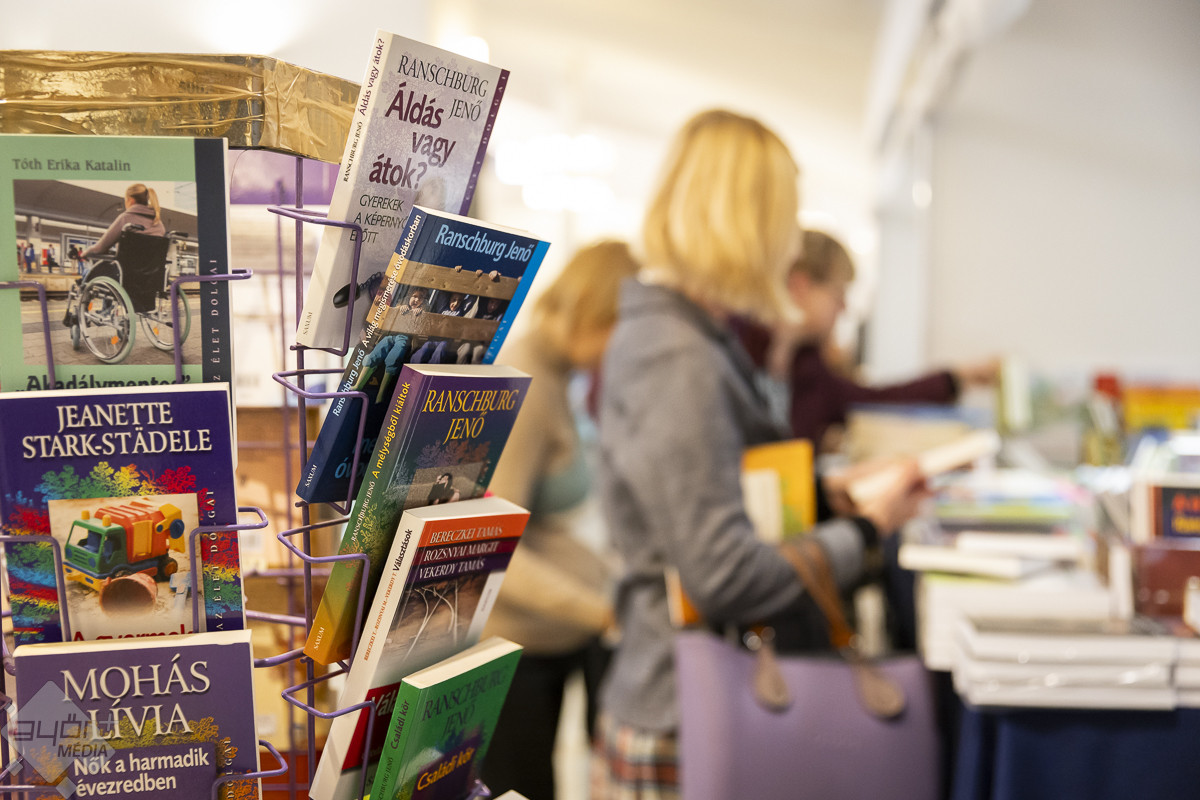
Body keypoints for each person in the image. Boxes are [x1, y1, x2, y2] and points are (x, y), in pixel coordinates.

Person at [588, 109, 926, 798]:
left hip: (697, 700)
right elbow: (724, 572)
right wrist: (864, 533)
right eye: (785, 215)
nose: (790, 242)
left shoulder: (693, 340)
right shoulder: (677, 357)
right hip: (688, 712)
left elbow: (720, 488)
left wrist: (825, 495)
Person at [480, 240, 640, 800]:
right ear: (595, 312)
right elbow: (492, 545)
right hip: (520, 644)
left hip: (560, 635)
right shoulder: (524, 383)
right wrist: (602, 611)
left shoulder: (558, 376)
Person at [733, 229, 999, 453]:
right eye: (838, 294)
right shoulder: (735, 347)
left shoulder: (808, 370)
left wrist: (957, 377)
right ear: (800, 285)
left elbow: (877, 400)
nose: (843, 308)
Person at [80, 183, 166, 261]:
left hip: (127, 271)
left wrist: (85, 253)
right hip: (154, 273)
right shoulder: (159, 224)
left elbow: (100, 248)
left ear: (131, 200)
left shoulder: (126, 219)